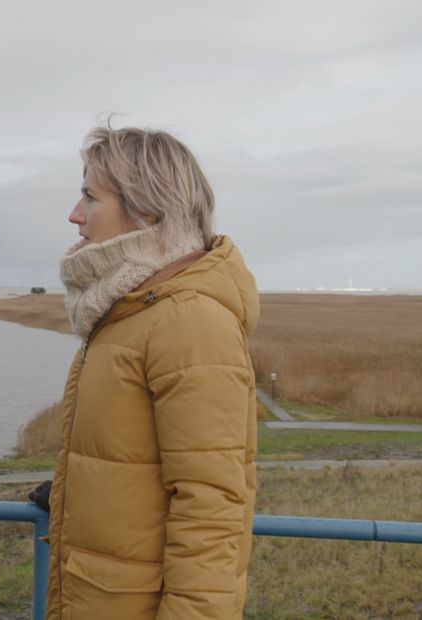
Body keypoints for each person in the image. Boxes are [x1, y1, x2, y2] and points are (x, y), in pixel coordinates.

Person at [40, 124, 258, 619]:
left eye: (90, 198)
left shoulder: (188, 320)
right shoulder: (129, 311)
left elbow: (212, 510)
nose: (75, 216)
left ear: (148, 209)